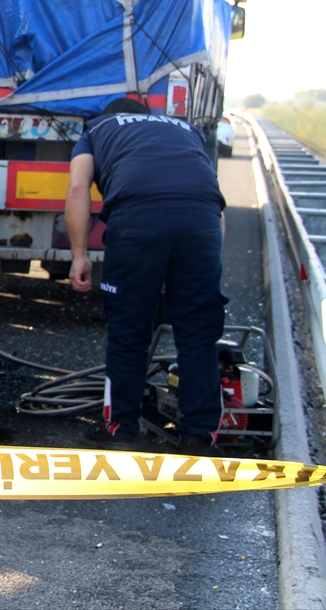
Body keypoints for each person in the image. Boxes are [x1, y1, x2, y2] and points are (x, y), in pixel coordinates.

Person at [66, 97, 227, 455]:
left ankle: (121, 430)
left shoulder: (97, 129)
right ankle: (198, 437)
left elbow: (78, 189)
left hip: (138, 218)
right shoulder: (188, 130)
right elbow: (214, 200)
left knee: (130, 327)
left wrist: (79, 256)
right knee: (199, 331)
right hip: (202, 222)